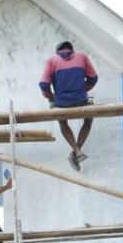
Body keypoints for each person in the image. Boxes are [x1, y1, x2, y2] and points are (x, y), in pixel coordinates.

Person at [40, 40, 99, 171]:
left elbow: (44, 84)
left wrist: (50, 97)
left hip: (62, 103)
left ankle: (76, 150)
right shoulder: (82, 57)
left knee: (63, 123)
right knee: (88, 120)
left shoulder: (52, 60)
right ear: (71, 49)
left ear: (57, 51)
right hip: (81, 100)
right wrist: (83, 89)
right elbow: (93, 78)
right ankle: (76, 153)